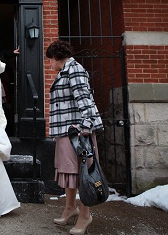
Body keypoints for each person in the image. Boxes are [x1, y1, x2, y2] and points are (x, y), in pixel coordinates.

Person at [45, 40, 103, 235]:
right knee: (69, 171)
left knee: (82, 174)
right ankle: (70, 208)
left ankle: (85, 215)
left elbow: (85, 99)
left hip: (78, 132)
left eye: (50, 60)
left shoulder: (74, 69)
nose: (49, 65)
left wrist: (86, 127)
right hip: (66, 130)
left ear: (56, 57)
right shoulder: (65, 71)